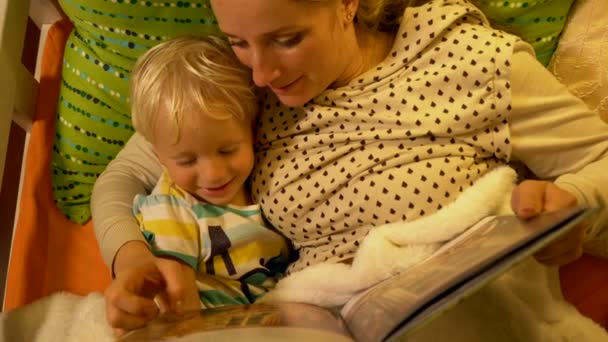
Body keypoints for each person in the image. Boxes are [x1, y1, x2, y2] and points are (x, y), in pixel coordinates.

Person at [92, 0, 608, 338]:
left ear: (346, 4)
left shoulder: (466, 60)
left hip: (460, 307)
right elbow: (124, 177)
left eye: (287, 39)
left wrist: (576, 207)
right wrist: (132, 259)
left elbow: (598, 162)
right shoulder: (241, 84)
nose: (261, 72)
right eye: (238, 41)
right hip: (315, 318)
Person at [102, 35, 290, 334]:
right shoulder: (172, 206)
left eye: (227, 150)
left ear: (253, 128)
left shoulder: (264, 192)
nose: (213, 174)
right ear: (158, 156)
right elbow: (175, 292)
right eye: (187, 161)